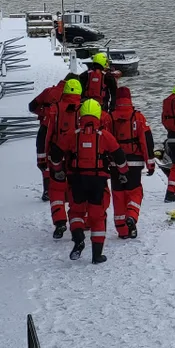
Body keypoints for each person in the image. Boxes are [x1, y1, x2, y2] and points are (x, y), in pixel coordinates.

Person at [49, 98, 127, 264]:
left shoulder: (71, 134)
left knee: (76, 212)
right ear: (98, 115)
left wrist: (58, 170)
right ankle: (97, 255)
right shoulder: (105, 136)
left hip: (76, 179)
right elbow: (120, 157)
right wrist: (122, 173)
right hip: (98, 181)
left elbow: (55, 155)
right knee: (98, 216)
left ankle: (78, 240)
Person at [109, 87, 156, 239]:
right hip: (135, 163)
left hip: (115, 163)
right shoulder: (138, 117)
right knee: (135, 192)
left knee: (118, 196)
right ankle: (131, 216)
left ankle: (122, 231)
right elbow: (147, 141)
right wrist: (150, 163)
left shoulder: (109, 118)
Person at [41, 78, 83, 238]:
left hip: (56, 156)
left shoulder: (55, 109)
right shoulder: (83, 109)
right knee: (76, 190)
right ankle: (78, 222)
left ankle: (59, 221)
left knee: (56, 190)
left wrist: (44, 157)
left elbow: (47, 134)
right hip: (76, 158)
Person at [31, 74, 77, 201]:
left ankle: (47, 190)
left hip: (45, 130)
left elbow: (32, 106)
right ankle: (66, 192)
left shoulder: (48, 92)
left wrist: (44, 114)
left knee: (44, 161)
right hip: (65, 134)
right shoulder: (74, 98)